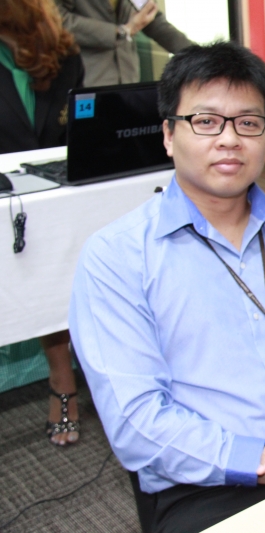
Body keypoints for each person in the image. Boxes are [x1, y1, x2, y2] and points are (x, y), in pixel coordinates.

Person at [69, 41, 265, 532]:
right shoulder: (116, 257)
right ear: (168, 134)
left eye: (248, 122)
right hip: (209, 484)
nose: (230, 139)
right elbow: (138, 421)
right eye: (207, 121)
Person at [0, 0, 85, 446]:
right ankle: (62, 380)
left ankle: (65, 378)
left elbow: (76, 133)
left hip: (52, 194)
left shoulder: (64, 52)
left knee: (58, 263)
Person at [56, 0, 192, 87]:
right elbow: (59, 21)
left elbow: (151, 16)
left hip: (129, 79)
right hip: (88, 79)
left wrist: (197, 55)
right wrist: (119, 32)